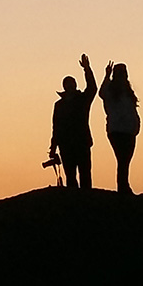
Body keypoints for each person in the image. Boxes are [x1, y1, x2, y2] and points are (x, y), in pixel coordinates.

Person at [49, 54, 97, 189]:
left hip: (82, 142)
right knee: (70, 177)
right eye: (67, 84)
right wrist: (53, 147)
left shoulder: (82, 100)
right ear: (64, 87)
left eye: (71, 84)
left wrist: (87, 69)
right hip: (66, 145)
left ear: (75, 85)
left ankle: (86, 202)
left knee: (85, 175)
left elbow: (92, 88)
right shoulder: (59, 105)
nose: (69, 86)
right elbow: (56, 127)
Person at [99, 61, 140, 194]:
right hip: (117, 130)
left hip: (129, 130)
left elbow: (132, 110)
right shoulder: (110, 90)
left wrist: (136, 124)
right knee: (122, 159)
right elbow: (101, 93)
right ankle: (123, 187)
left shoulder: (128, 92)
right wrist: (106, 76)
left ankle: (124, 185)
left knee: (125, 160)